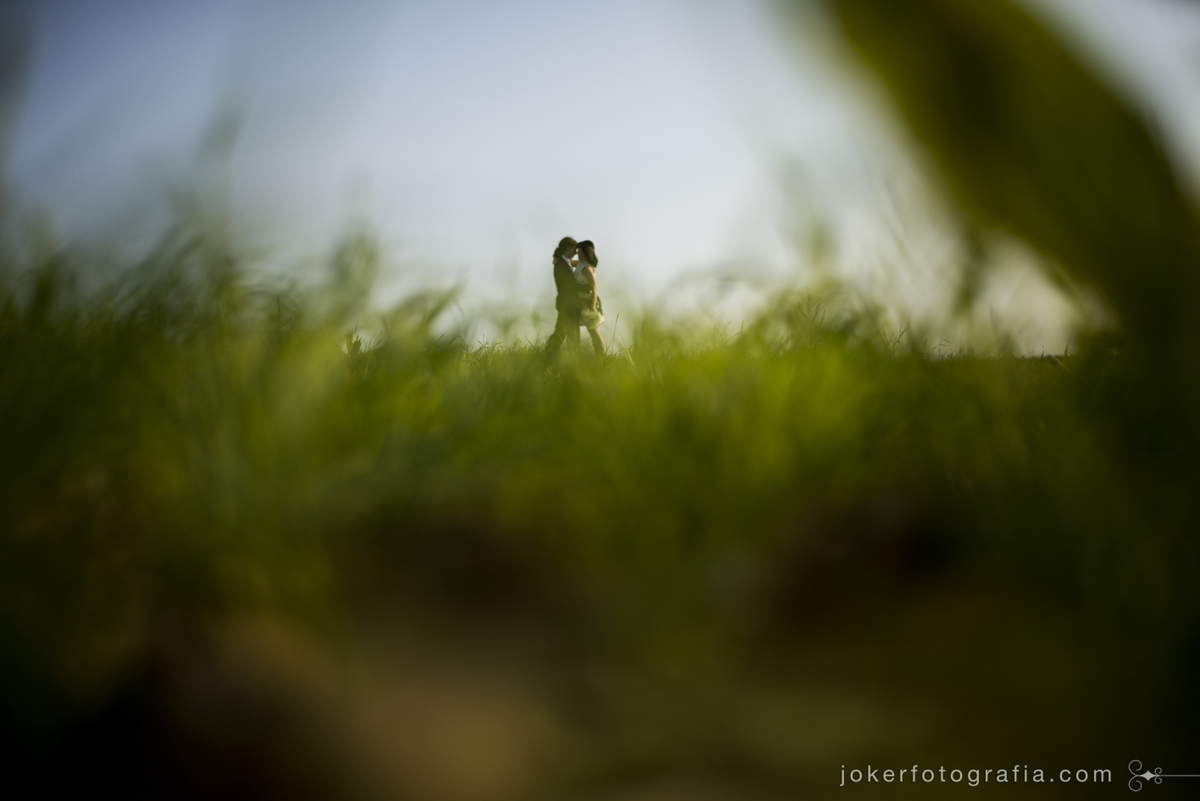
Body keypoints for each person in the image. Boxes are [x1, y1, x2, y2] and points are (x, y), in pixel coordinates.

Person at [546, 236, 581, 353]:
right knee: (565, 332)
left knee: (563, 332)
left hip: (568, 303)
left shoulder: (564, 263)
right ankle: (549, 354)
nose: (576, 253)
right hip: (568, 303)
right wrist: (587, 287)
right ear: (567, 247)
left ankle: (548, 354)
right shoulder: (561, 264)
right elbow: (568, 285)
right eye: (574, 249)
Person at [574, 240, 606, 356]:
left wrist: (592, 307)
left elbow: (594, 287)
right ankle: (599, 357)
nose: (577, 252)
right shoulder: (581, 264)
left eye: (579, 250)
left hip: (588, 301)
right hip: (582, 301)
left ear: (583, 251)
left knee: (593, 330)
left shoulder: (587, 268)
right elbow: (571, 262)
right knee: (592, 330)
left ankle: (602, 357)